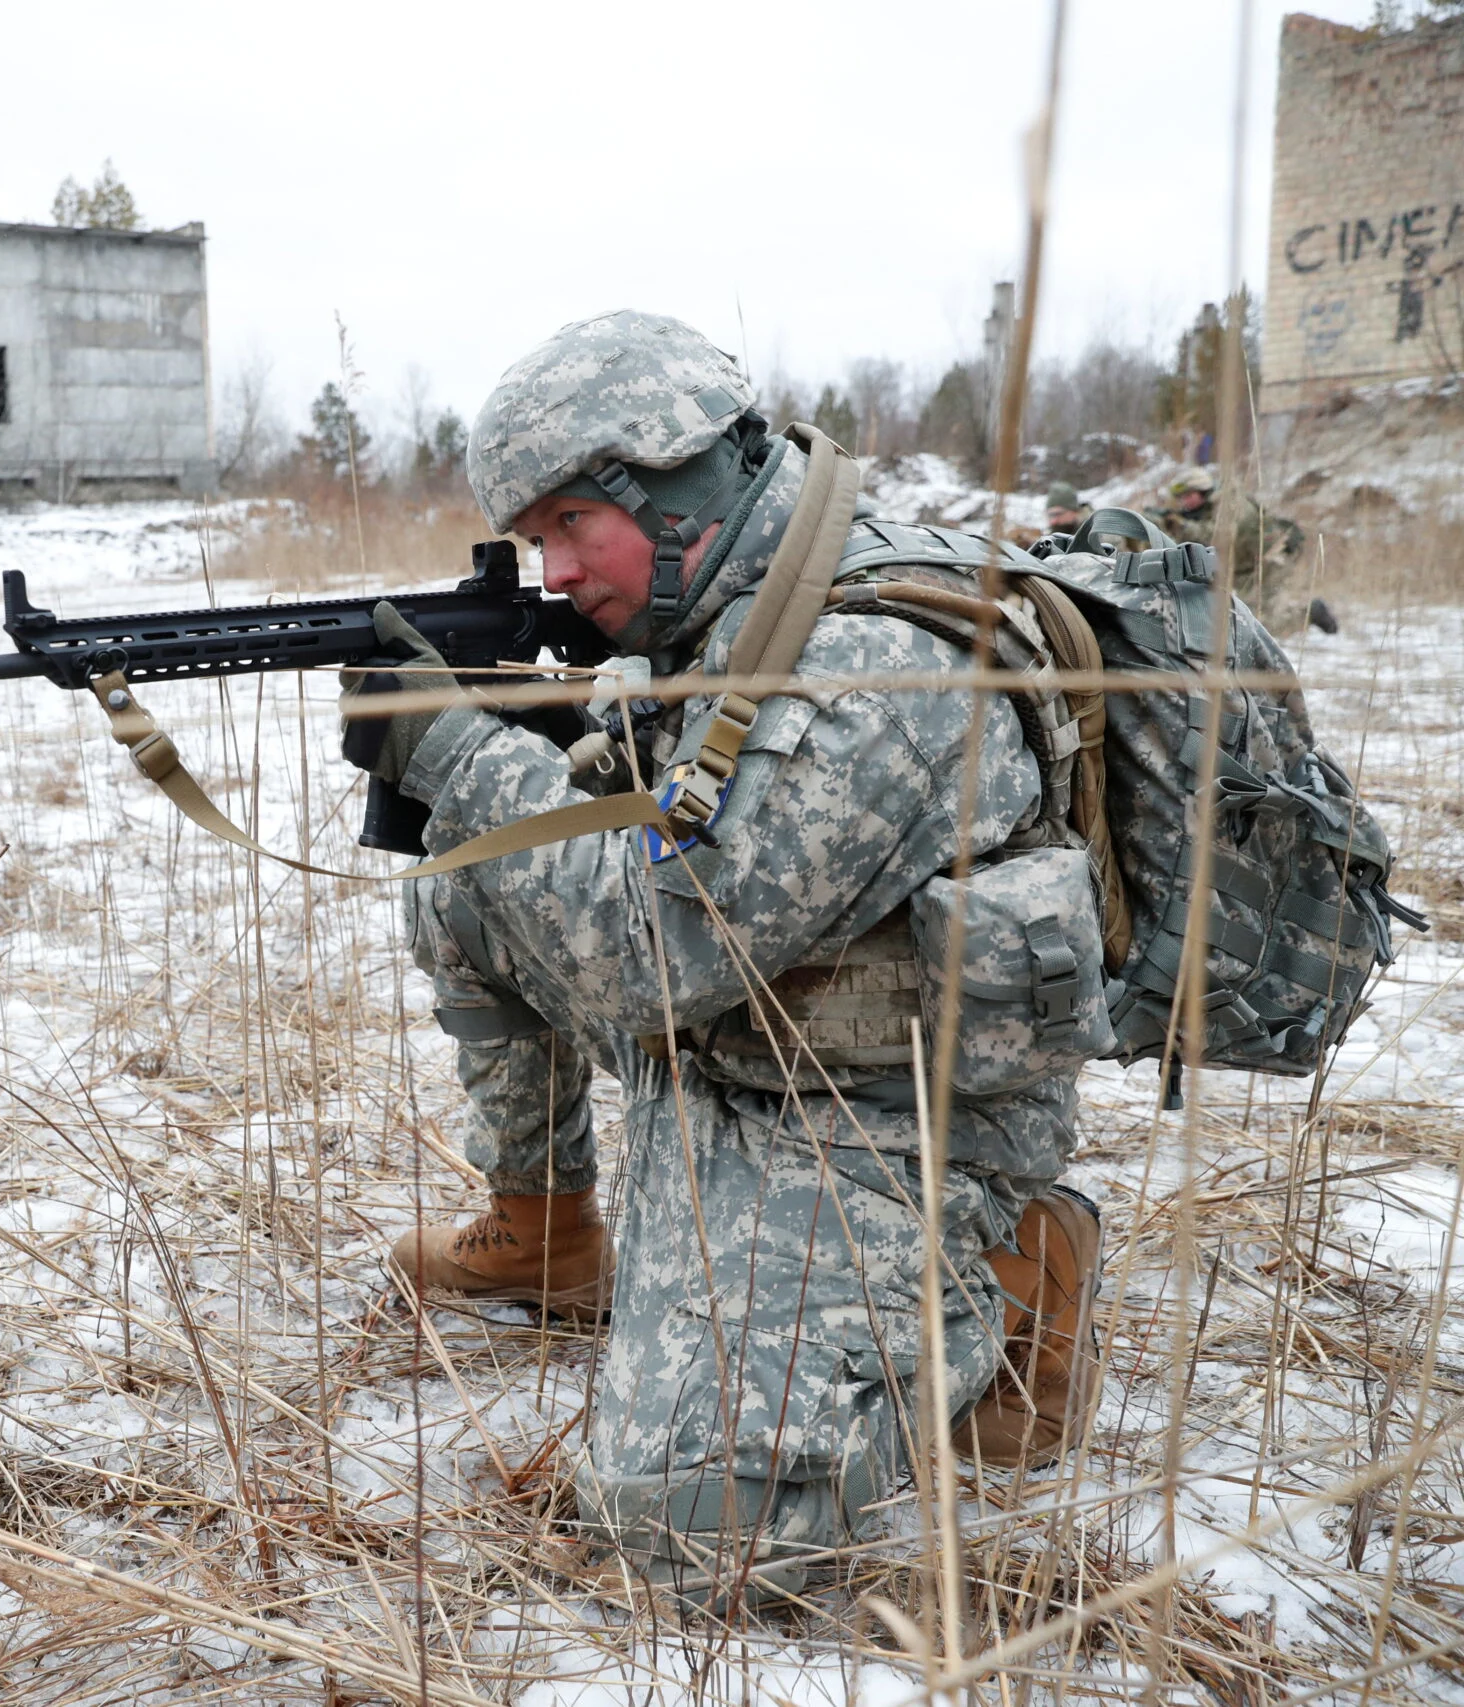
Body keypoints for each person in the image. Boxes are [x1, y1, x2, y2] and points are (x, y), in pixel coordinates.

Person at [340, 311, 1104, 1607]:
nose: (556, 569)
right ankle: (543, 1231)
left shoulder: (870, 660)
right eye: (533, 537)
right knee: (469, 885)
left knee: (698, 1533)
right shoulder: (734, 602)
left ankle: (1007, 1267)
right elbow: (663, 844)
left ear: (679, 479)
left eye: (573, 521)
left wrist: (463, 751)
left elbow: (656, 951)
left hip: (875, 1116)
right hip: (742, 1036)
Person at [1154, 466, 1336, 633]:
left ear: (1203, 490)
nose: (1184, 501)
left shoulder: (1231, 503)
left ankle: (1312, 614)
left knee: (1257, 624)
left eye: (1188, 495)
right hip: (1244, 567)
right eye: (1181, 497)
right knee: (1236, 620)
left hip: (1271, 560)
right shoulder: (1209, 506)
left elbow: (1218, 537)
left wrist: (1179, 525)